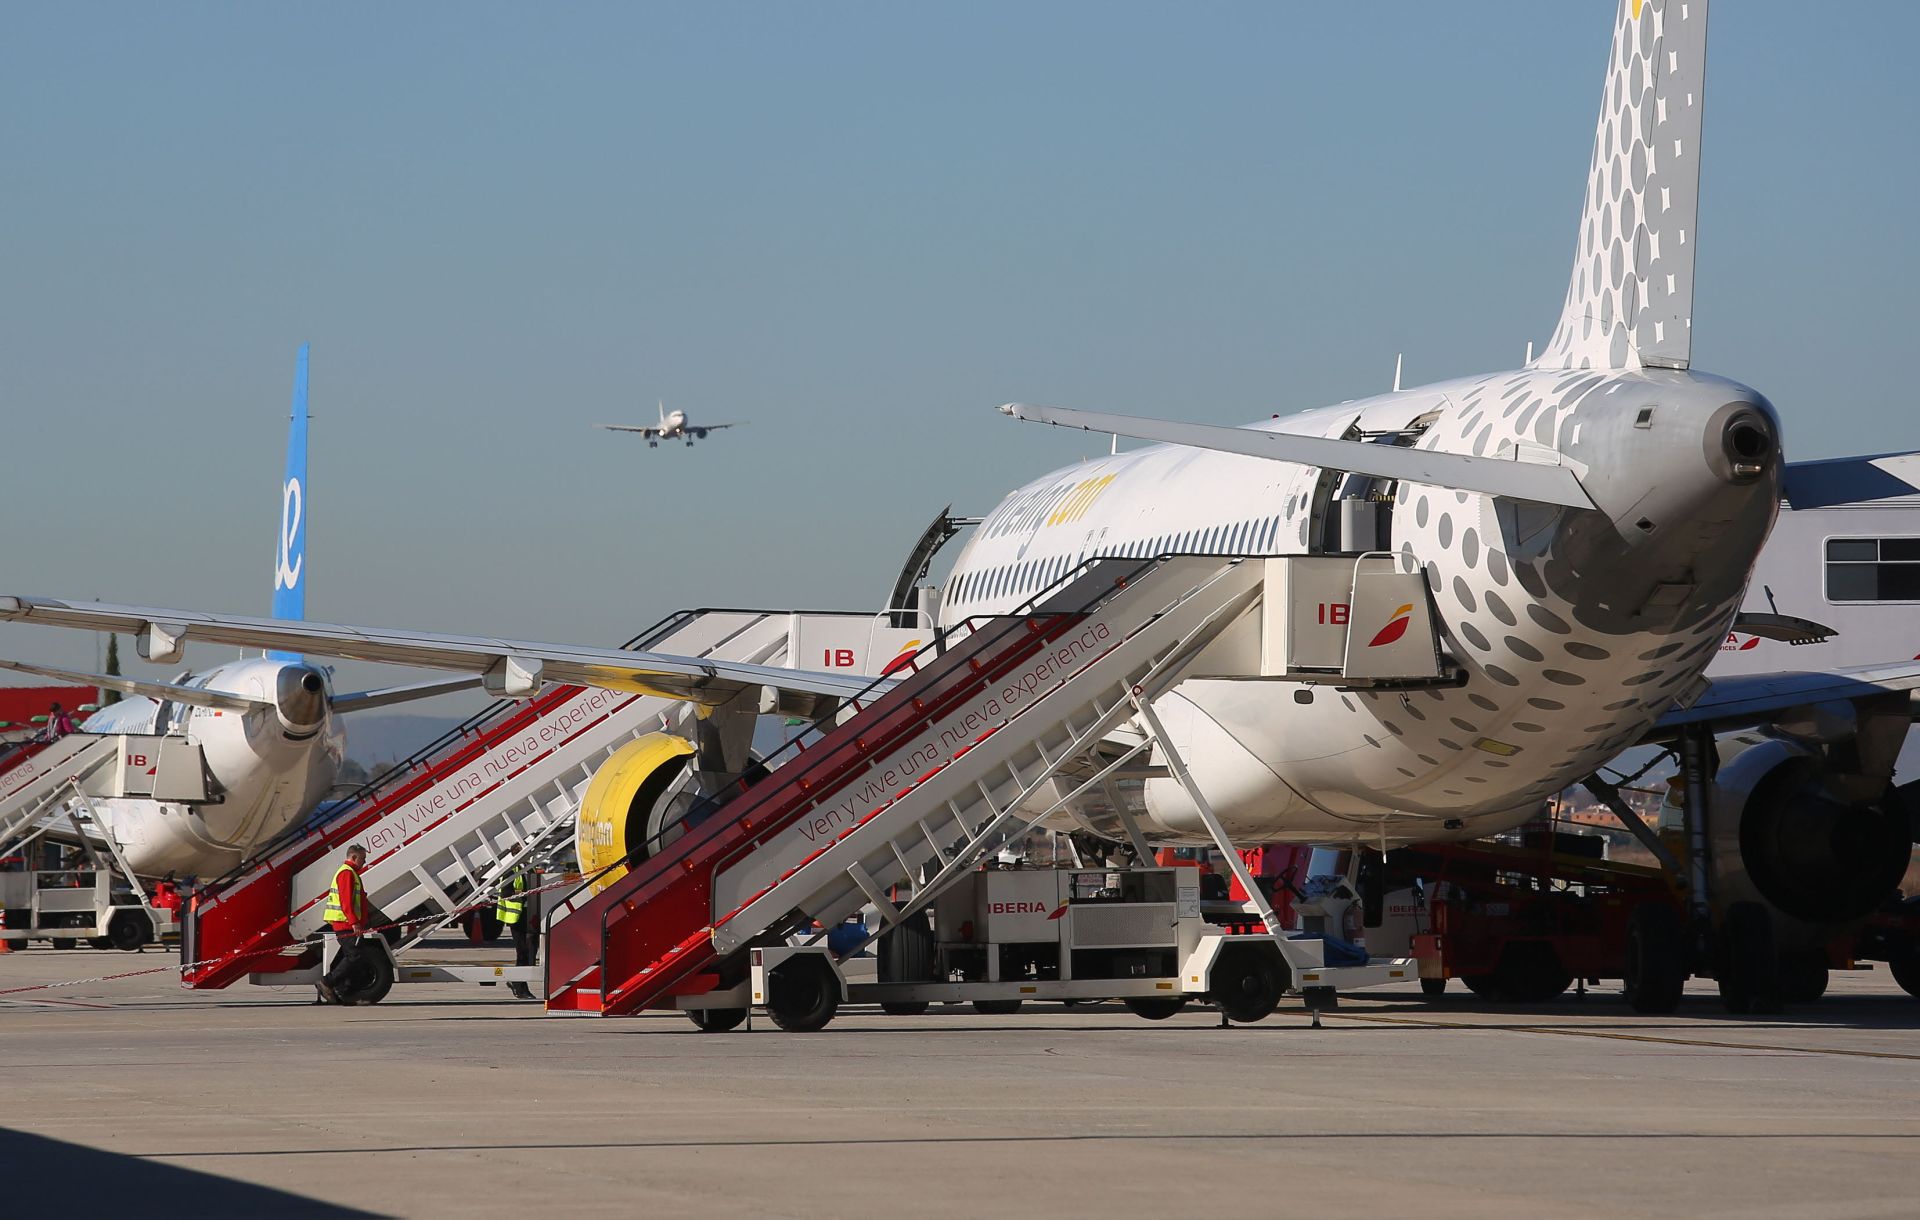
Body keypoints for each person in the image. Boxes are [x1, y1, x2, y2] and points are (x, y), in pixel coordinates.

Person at [317, 845, 370, 1004]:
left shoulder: (350, 873)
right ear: (354, 857)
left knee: (353, 957)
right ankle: (327, 982)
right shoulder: (347, 873)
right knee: (355, 957)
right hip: (344, 923)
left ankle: (345, 993)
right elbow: (346, 901)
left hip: (345, 922)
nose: (364, 862)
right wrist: (354, 922)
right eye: (362, 858)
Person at [497, 863, 539, 1000]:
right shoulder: (510, 870)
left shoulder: (530, 867)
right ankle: (519, 986)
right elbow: (505, 893)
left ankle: (518, 981)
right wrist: (523, 895)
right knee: (522, 951)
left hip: (531, 915)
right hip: (517, 918)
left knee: (532, 949)